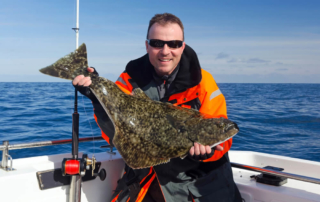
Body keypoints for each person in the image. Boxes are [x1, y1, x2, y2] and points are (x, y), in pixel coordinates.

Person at [73, 13, 242, 202]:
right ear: (147, 45)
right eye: (157, 43)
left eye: (174, 44)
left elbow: (222, 142)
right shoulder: (129, 80)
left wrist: (207, 154)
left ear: (182, 46)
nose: (165, 51)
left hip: (196, 184)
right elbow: (116, 135)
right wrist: (97, 98)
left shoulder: (203, 82)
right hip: (147, 180)